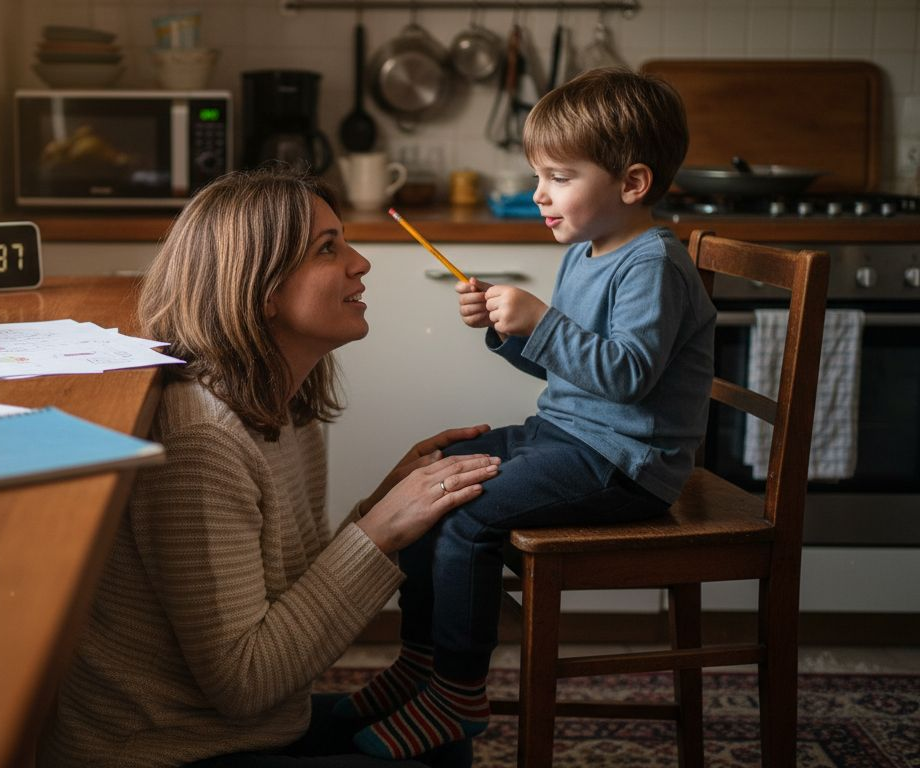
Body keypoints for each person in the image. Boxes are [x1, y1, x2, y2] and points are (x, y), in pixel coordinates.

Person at [35, 167, 503, 768]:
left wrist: (382, 507)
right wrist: (379, 531)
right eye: (327, 249)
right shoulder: (201, 439)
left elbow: (283, 599)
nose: (361, 263)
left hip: (254, 728)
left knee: (443, 735)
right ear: (262, 290)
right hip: (167, 752)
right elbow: (246, 682)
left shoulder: (288, 406)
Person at [338, 67, 718, 760]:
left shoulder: (652, 265)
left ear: (631, 184)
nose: (539, 193)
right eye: (538, 174)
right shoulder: (587, 250)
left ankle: (457, 694)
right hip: (572, 438)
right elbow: (572, 370)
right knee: (433, 480)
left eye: (559, 176)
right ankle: (420, 666)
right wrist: (510, 332)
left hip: (626, 464)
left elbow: (628, 377)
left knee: (470, 513)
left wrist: (539, 319)